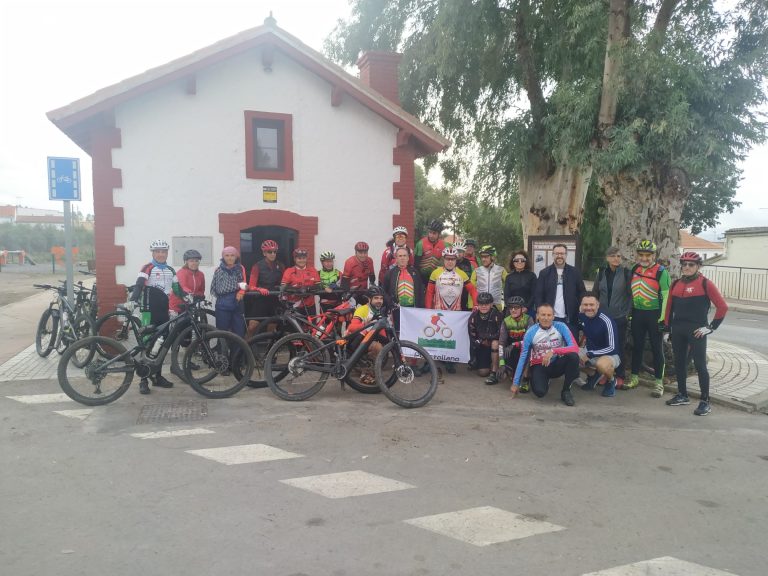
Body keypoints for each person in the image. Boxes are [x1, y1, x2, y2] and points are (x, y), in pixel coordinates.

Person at [664, 251, 728, 416]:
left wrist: (711, 327)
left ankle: (705, 401)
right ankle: (682, 395)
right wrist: (667, 328)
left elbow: (722, 307)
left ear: (698, 266)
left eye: (691, 264)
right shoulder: (675, 284)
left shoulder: (706, 284)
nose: (686, 267)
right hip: (678, 330)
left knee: (700, 366)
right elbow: (669, 308)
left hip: (697, 331)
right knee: (679, 363)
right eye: (684, 264)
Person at [129, 239, 182, 394]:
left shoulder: (171, 270)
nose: (161, 254)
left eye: (163, 251)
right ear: (153, 253)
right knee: (147, 342)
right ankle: (143, 380)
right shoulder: (148, 267)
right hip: (148, 310)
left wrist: (188, 297)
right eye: (157, 251)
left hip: (163, 311)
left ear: (167, 253)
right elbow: (139, 284)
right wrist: (133, 299)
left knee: (161, 342)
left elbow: (177, 289)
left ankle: (157, 377)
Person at [511, 303, 581, 406]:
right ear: (537, 316)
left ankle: (566, 391)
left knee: (573, 357)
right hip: (540, 365)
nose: (546, 318)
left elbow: (574, 348)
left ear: (553, 316)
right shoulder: (531, 332)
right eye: (543, 315)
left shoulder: (561, 326)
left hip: (557, 362)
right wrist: (516, 383)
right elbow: (523, 357)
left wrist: (553, 351)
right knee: (540, 393)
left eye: (549, 315)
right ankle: (543, 380)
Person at [424, 246, 478, 374]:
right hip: (438, 311)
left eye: (452, 259)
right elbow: (429, 292)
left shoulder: (462, 273)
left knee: (450, 337)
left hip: (455, 312)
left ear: (456, 260)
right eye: (447, 259)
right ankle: (428, 363)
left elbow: (472, 290)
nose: (450, 262)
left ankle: (449, 362)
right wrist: (427, 309)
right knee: (434, 337)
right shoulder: (436, 273)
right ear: (443, 259)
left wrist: (476, 304)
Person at [628, 239, 671, 397]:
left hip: (654, 315)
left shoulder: (661, 271)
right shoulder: (635, 268)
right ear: (637, 255)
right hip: (638, 313)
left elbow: (667, 297)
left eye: (648, 255)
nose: (644, 258)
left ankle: (659, 383)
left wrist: (663, 320)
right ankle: (634, 378)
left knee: (656, 349)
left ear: (654, 255)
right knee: (637, 346)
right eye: (641, 255)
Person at [593, 246, 632, 388]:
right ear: (607, 258)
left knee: (619, 347)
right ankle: (604, 373)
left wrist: (627, 314)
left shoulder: (626, 273)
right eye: (613, 256)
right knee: (604, 345)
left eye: (619, 256)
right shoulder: (601, 273)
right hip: (603, 317)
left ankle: (620, 375)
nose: (616, 259)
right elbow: (595, 293)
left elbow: (630, 296)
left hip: (619, 317)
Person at [534, 243, 585, 340]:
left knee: (570, 349)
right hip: (550, 318)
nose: (559, 256)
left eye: (562, 253)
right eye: (557, 253)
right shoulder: (544, 273)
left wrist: (581, 308)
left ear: (566, 255)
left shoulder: (575, 272)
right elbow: (539, 295)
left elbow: (582, 292)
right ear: (553, 255)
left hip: (570, 318)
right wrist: (540, 312)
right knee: (551, 347)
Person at [575, 292, 621, 398]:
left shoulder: (606, 320)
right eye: (585, 305)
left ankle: (611, 381)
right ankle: (593, 375)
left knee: (602, 365)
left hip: (610, 355)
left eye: (591, 305)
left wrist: (591, 354)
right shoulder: (582, 316)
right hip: (590, 351)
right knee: (569, 356)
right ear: (581, 306)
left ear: (598, 305)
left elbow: (612, 347)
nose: (588, 308)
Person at [246, 239, 284, 338]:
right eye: (269, 252)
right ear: (264, 253)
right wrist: (260, 289)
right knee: (252, 327)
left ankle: (269, 351)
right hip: (260, 300)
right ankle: (244, 349)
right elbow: (251, 286)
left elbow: (284, 283)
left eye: (274, 252)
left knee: (271, 328)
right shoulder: (257, 266)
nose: (272, 254)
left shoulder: (280, 266)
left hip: (274, 300)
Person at [382, 246, 424, 332]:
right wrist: (390, 303)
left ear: (408, 258)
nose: (402, 258)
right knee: (398, 332)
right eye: (400, 256)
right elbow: (384, 292)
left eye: (404, 256)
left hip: (413, 309)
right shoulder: (390, 273)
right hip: (397, 310)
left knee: (412, 331)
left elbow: (420, 291)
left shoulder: (415, 272)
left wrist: (421, 308)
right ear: (396, 258)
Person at [210, 245, 248, 338]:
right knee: (221, 332)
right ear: (223, 257)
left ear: (236, 257)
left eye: (232, 255)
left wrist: (241, 292)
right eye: (227, 255)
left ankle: (237, 353)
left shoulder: (240, 268)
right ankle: (222, 352)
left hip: (237, 302)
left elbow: (244, 283)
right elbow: (216, 288)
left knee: (239, 331)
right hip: (222, 303)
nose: (230, 258)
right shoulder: (218, 270)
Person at [468, 292, 504, 384]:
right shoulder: (473, 316)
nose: (484, 306)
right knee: (482, 373)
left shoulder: (498, 315)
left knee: (495, 343)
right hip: (481, 346)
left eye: (486, 304)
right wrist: (479, 342)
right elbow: (472, 336)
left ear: (491, 304)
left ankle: (494, 371)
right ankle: (489, 364)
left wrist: (487, 338)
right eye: (481, 304)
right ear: (478, 305)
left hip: (494, 344)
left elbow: (501, 333)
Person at [498, 296, 534, 389]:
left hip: (524, 348)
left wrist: (514, 344)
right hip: (511, 350)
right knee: (502, 377)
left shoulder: (529, 319)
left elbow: (529, 340)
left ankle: (526, 379)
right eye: (511, 308)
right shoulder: (506, 321)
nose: (513, 310)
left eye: (516, 307)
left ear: (522, 309)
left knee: (528, 349)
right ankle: (512, 372)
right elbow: (501, 343)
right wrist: (501, 364)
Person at [281, 248, 322, 316]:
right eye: (299, 258)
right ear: (295, 259)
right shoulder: (289, 271)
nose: (302, 260)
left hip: (310, 305)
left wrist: (308, 288)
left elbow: (319, 285)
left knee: (311, 326)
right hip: (295, 306)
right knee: (296, 326)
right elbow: (283, 287)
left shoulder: (313, 270)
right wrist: (297, 290)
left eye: (304, 258)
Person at [169, 249, 206, 315]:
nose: (194, 263)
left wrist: (200, 297)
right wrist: (190, 294)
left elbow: (201, 290)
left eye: (196, 261)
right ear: (186, 262)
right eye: (191, 261)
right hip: (177, 305)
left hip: (190, 305)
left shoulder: (201, 274)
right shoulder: (182, 273)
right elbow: (183, 287)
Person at [470, 245, 507, 310]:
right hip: (481, 306)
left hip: (496, 306)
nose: (483, 259)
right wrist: (472, 305)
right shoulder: (476, 271)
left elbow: (509, 287)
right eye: (482, 257)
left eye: (486, 257)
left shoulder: (501, 270)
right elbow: (472, 290)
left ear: (492, 257)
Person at [414, 219, 447, 284]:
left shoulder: (445, 245)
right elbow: (416, 264)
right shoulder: (421, 243)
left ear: (439, 234)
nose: (431, 235)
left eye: (434, 233)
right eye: (430, 232)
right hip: (421, 277)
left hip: (436, 277)